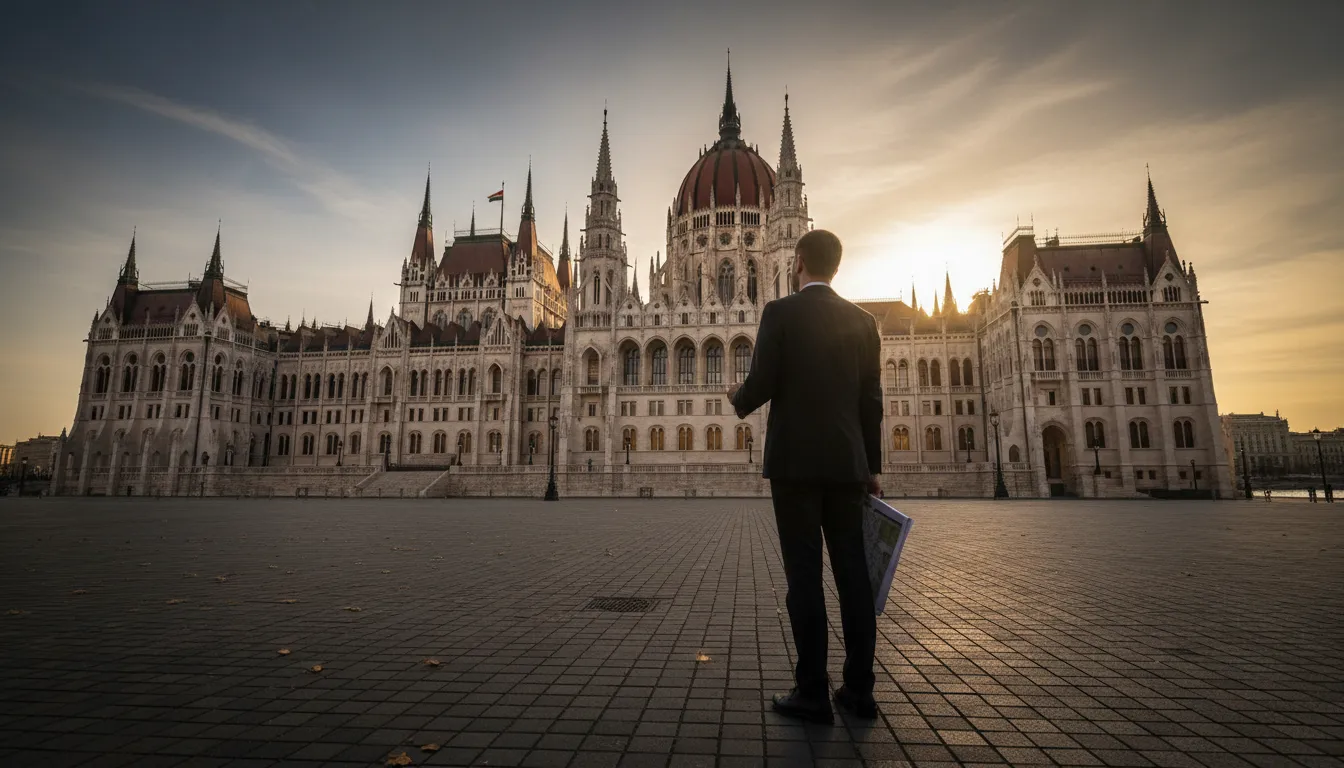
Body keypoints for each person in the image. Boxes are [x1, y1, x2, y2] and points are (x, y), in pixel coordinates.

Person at [729, 229, 882, 724]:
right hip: (847, 465)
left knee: (804, 577)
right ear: (836, 267)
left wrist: (738, 399)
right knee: (853, 575)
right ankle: (859, 691)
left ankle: (812, 689)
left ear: (797, 263)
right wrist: (872, 467)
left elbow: (763, 382)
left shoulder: (781, 313)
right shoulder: (864, 322)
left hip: (794, 466)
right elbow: (871, 404)